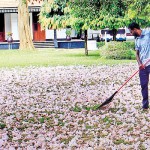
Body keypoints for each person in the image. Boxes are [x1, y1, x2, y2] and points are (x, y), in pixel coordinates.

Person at [128, 22, 150, 110]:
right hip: (143, 67)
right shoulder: (137, 39)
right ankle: (145, 105)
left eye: (131, 32)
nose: (131, 33)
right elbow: (137, 54)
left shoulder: (148, 33)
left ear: (135, 29)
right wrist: (139, 64)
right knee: (143, 85)